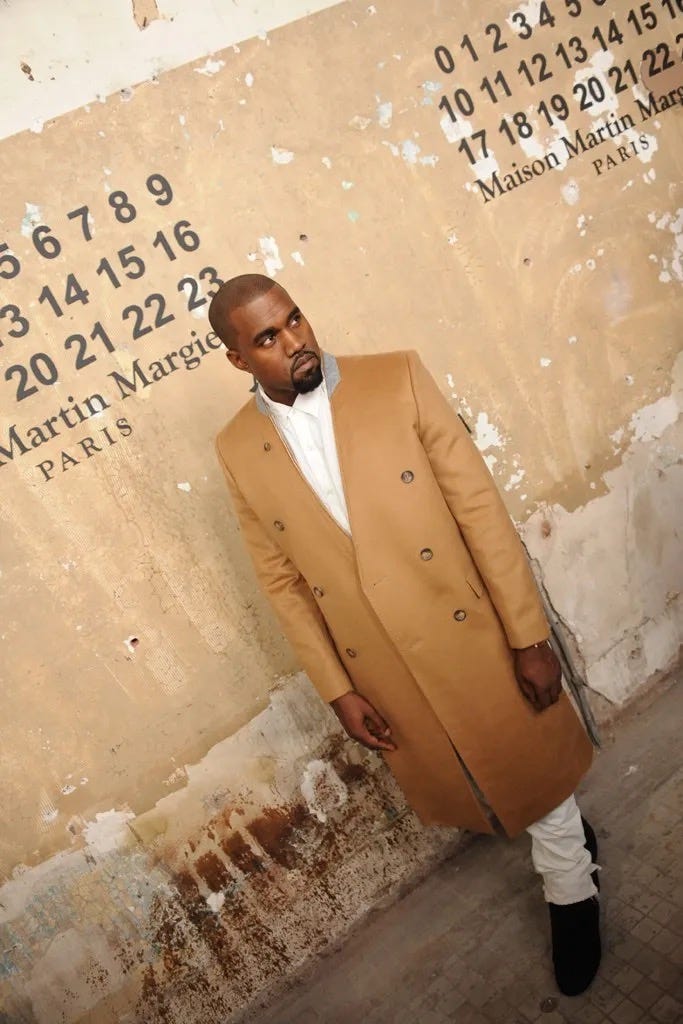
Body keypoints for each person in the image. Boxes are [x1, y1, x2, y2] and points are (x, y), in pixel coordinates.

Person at [210, 274, 601, 997]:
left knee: (525, 754)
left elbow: (478, 508)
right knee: (478, 772)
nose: (295, 340)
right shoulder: (236, 448)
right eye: (267, 337)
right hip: (380, 653)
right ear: (238, 360)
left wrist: (528, 635)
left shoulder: (395, 378)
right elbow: (281, 582)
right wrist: (338, 689)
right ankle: (569, 842)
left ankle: (571, 888)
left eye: (294, 319)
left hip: (466, 624)